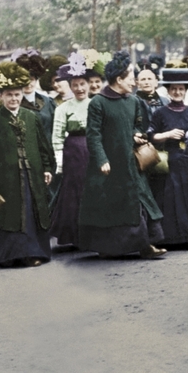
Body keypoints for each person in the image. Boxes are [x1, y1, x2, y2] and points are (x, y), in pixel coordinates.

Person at [77, 52, 166, 259]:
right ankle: (110, 248)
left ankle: (146, 245)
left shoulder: (133, 101)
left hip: (131, 162)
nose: (134, 82)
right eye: (130, 78)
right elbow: (93, 135)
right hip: (109, 165)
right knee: (112, 205)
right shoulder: (98, 103)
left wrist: (137, 134)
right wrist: (102, 160)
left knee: (140, 200)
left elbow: (137, 125)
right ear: (118, 80)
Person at [0, 62, 55, 267]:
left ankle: (32, 252)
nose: (14, 99)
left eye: (17, 95)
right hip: (4, 179)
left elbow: (43, 147)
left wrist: (46, 168)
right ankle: (7, 255)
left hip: (31, 176)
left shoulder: (31, 117)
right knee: (8, 215)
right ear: (1, 96)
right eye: (9, 95)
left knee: (30, 213)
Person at [149, 66, 188, 246]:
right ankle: (170, 237)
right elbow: (151, 136)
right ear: (168, 90)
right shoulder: (160, 113)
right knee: (170, 197)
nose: (177, 92)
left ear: (186, 90)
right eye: (173, 89)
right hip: (169, 161)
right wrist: (168, 135)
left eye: (181, 89)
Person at [49, 52, 92, 249]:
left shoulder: (97, 104)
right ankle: (75, 235)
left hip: (94, 149)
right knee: (75, 192)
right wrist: (59, 158)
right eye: (75, 85)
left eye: (82, 84)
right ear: (70, 87)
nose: (79, 88)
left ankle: (95, 233)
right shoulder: (64, 108)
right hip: (74, 152)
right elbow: (57, 135)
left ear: (89, 84)